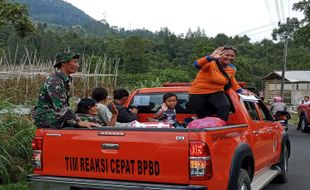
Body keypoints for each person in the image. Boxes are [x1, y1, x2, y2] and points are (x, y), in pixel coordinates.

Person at [31, 51, 98, 129]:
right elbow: (61, 107)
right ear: (64, 64)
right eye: (75, 62)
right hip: (45, 116)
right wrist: (78, 121)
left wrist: (77, 118)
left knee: (89, 119)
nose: (78, 66)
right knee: (83, 121)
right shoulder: (54, 80)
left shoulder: (64, 79)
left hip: (56, 114)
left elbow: (64, 107)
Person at [188, 46, 246, 122]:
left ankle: (219, 127)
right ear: (220, 55)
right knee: (204, 116)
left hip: (216, 92)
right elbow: (196, 65)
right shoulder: (210, 63)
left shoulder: (231, 68)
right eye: (227, 55)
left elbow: (232, 80)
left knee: (224, 106)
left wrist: (240, 91)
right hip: (198, 92)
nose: (229, 57)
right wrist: (210, 57)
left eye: (232, 56)